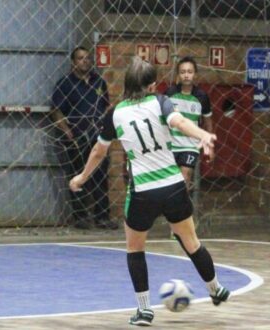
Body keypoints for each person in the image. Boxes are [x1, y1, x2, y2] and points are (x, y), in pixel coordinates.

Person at [69, 58, 230, 326]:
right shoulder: (160, 102)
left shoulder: (115, 113)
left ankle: (144, 310)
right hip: (173, 187)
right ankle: (215, 289)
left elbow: (99, 151)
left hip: (143, 192)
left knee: (135, 249)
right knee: (191, 243)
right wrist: (202, 134)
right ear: (153, 85)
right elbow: (179, 122)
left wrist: (82, 177)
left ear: (126, 84)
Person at [51, 46, 117, 230]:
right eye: (80, 58)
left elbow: (105, 106)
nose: (85, 61)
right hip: (76, 138)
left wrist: (105, 126)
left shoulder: (99, 82)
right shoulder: (64, 83)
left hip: (97, 138)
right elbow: (56, 111)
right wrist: (67, 131)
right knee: (78, 176)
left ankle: (102, 217)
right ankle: (80, 217)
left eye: (87, 58)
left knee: (100, 177)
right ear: (73, 62)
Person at [165, 56, 213, 189]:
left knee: (184, 179)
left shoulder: (202, 97)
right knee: (169, 184)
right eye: (183, 72)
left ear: (195, 74)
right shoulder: (170, 94)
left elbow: (208, 122)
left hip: (190, 146)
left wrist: (209, 147)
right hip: (171, 146)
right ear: (178, 75)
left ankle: (181, 209)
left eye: (190, 72)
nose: (186, 75)